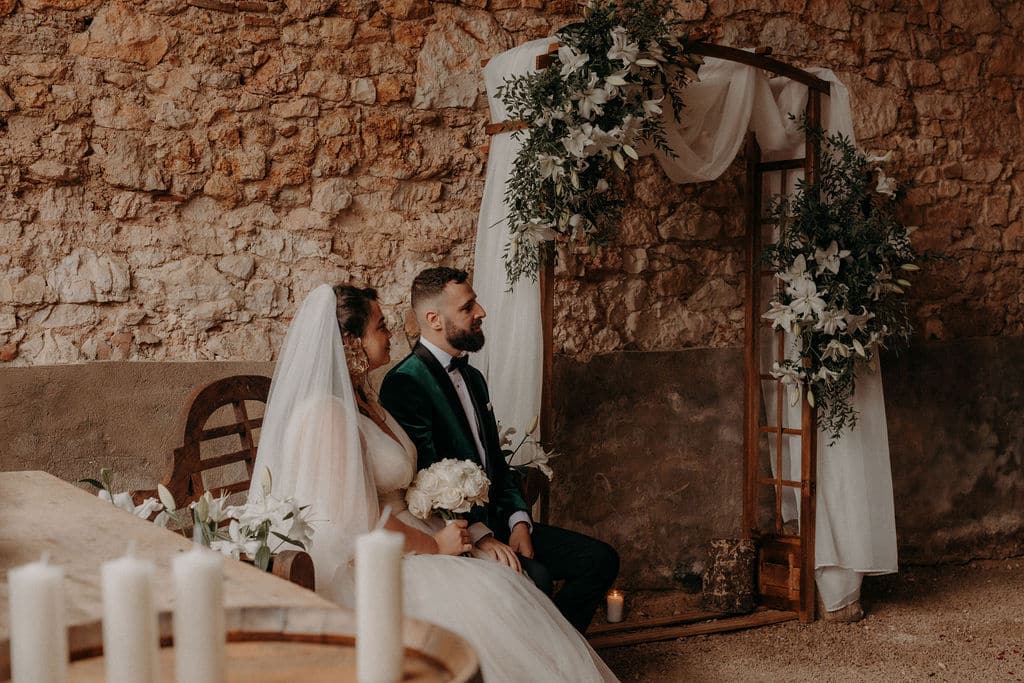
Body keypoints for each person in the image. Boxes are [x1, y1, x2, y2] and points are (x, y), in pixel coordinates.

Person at [249, 283, 618, 683]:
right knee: (493, 596)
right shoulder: (327, 414)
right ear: (351, 343)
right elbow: (358, 518)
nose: (390, 333)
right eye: (380, 326)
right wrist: (438, 544)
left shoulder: (367, 403)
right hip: (374, 557)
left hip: (414, 531)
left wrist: (496, 522)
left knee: (513, 589)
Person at [380, 267, 619, 633]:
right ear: (434, 319)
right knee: (533, 577)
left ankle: (560, 657)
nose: (481, 312)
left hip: (501, 521)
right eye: (467, 307)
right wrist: (481, 538)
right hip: (455, 531)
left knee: (600, 560)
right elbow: (422, 479)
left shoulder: (473, 378)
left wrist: (518, 521)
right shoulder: (405, 383)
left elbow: (495, 463)